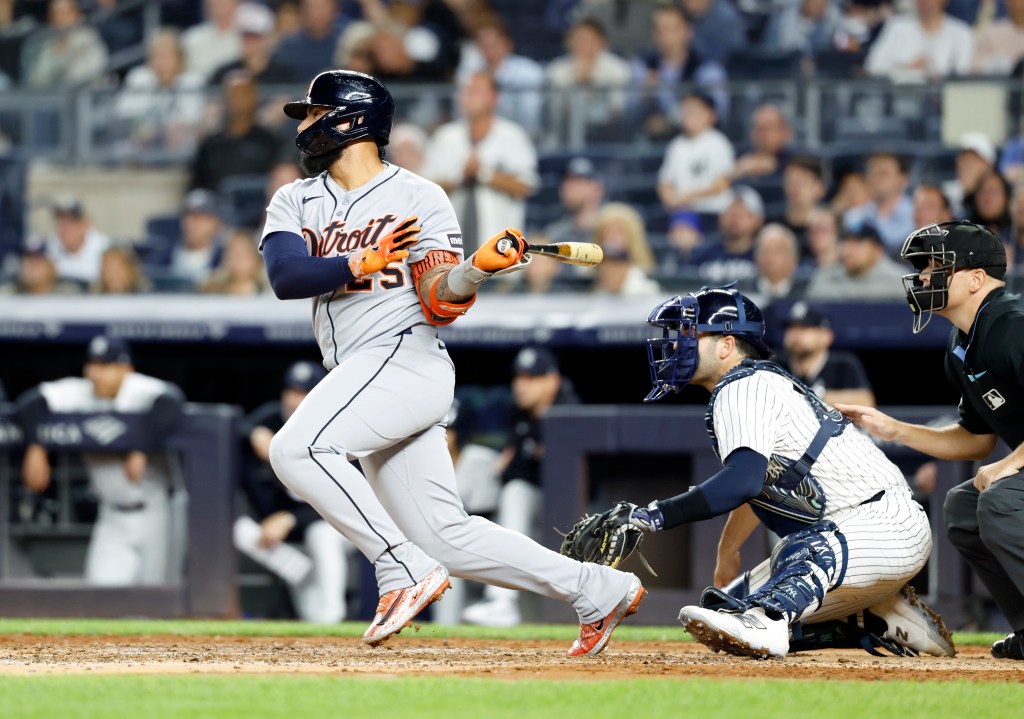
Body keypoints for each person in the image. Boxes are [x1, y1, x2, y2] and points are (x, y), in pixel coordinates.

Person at [259, 69, 644, 654]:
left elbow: (440, 299)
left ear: (352, 120)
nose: (306, 124)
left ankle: (400, 570)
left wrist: (477, 270)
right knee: (446, 538)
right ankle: (597, 588)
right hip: (360, 373)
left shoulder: (419, 196)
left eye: (314, 113)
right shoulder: (296, 198)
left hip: (407, 358)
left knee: (296, 449)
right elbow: (286, 276)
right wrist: (359, 264)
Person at [608, 285, 953, 659]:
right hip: (855, 539)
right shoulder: (749, 385)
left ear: (726, 345)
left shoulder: (742, 385)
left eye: (690, 334)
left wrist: (654, 516)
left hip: (883, 523)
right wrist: (728, 549)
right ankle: (881, 615)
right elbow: (762, 482)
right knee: (724, 611)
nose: (676, 346)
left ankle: (771, 623)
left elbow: (743, 480)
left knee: (772, 596)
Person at [835, 221, 1024, 660]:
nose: (923, 277)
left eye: (939, 266)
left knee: (999, 498)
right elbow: (976, 441)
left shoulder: (1011, 325)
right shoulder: (961, 344)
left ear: (977, 278)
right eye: (924, 268)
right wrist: (893, 429)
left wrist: (1010, 463)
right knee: (963, 507)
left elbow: (993, 460)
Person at [15, 336, 185, 586]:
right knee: (101, 595)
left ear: (126, 370)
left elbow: (172, 401)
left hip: (157, 510)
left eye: (106, 366)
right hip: (111, 515)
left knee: (158, 599)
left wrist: (140, 447)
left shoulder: (138, 389)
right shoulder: (81, 391)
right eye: (92, 365)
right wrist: (37, 447)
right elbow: (29, 403)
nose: (96, 373)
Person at [462, 346, 579, 627]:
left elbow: (569, 480)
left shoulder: (570, 412)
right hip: (530, 513)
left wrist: (525, 457)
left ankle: (500, 603)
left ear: (552, 380)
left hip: (574, 515)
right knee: (489, 470)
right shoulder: (519, 414)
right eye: (519, 377)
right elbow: (511, 468)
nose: (520, 385)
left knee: (516, 492)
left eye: (531, 378)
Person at [234, 361, 355, 623]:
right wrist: (254, 431)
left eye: (303, 393)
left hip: (334, 525)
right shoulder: (271, 417)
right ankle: (304, 582)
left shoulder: (334, 430)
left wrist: (291, 519)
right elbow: (232, 426)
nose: (293, 399)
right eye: (290, 391)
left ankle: (333, 614)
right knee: (238, 531)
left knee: (320, 535)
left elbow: (344, 499)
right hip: (287, 534)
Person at [422, 72, 537, 254]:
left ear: (494, 97)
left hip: (501, 249)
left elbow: (524, 186)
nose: (468, 96)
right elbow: (426, 189)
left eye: (476, 91)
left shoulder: (512, 135)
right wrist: (461, 177)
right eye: (465, 91)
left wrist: (484, 173)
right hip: (450, 248)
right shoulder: (446, 136)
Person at [628, 4, 726, 141]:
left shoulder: (706, 69)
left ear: (688, 32)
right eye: (658, 29)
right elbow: (628, 113)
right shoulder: (643, 66)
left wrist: (670, 120)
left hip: (694, 142)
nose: (664, 35)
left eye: (670, 29)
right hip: (648, 142)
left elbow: (717, 113)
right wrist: (645, 96)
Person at [116, 29, 205, 156]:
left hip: (182, 145)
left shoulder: (193, 81)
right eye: (156, 56)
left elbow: (194, 117)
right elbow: (124, 113)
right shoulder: (139, 78)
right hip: (142, 144)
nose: (161, 62)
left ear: (179, 58)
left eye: (166, 56)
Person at [189, 71, 283, 192]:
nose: (238, 100)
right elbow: (197, 188)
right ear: (225, 98)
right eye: (233, 94)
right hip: (217, 207)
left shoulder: (271, 141)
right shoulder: (210, 144)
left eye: (244, 93)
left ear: (255, 96)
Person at [454, 16, 545, 137]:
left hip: (520, 136)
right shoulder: (468, 73)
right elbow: (460, 114)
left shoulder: (529, 72)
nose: (489, 50)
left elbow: (530, 118)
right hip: (478, 135)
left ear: (508, 44)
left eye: (493, 44)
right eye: (483, 45)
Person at [546, 19, 631, 141]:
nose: (580, 45)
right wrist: (577, 82)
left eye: (586, 40)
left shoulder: (617, 68)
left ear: (601, 42)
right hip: (566, 134)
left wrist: (591, 81)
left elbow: (618, 108)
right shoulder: (557, 69)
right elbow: (556, 112)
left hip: (609, 133)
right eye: (576, 40)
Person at [780, 302, 875, 406]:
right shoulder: (775, 364)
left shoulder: (843, 365)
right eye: (791, 328)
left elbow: (866, 401)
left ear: (826, 336)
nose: (795, 334)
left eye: (804, 328)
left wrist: (815, 395)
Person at [658, 91, 735, 215]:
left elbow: (722, 184)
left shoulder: (719, 143)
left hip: (714, 210)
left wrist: (690, 196)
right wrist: (671, 200)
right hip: (683, 212)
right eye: (685, 111)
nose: (688, 116)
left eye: (693, 111)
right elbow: (665, 183)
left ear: (711, 115)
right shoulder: (676, 146)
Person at [865, 0, 973, 81]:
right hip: (900, 102)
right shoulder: (897, 27)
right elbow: (873, 66)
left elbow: (963, 75)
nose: (924, 2)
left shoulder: (961, 33)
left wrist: (936, 77)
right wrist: (906, 69)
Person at [805, 224, 906, 300]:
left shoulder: (899, 281)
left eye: (857, 244)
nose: (848, 251)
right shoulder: (825, 278)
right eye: (846, 243)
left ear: (877, 250)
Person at [21, 0, 108, 89]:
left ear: (76, 15)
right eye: (54, 13)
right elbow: (35, 79)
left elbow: (88, 77)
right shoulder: (42, 43)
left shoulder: (89, 40)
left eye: (65, 13)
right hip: (47, 97)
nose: (59, 18)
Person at [210, 2, 298, 86]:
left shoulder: (285, 74)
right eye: (245, 36)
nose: (249, 42)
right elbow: (209, 96)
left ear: (268, 38)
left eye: (255, 37)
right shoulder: (225, 73)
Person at [688, 186, 763, 284]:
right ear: (720, 218)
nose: (735, 220)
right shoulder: (702, 254)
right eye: (730, 213)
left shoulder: (764, 256)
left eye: (742, 214)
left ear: (757, 220)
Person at [843, 152, 915, 254]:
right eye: (873, 173)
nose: (877, 179)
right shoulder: (853, 218)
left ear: (903, 180)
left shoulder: (917, 215)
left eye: (884, 173)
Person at [591, 203, 661, 296]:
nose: (612, 238)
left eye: (618, 232)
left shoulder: (645, 287)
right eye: (607, 232)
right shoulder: (587, 277)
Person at [43, 197, 111, 286]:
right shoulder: (47, 248)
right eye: (60, 222)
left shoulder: (105, 247)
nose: (65, 229)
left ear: (85, 224)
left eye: (71, 222)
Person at [272, 0, 344, 81]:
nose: (316, 13)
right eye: (311, 8)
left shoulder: (344, 42)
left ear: (334, 9)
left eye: (321, 7)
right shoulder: (288, 46)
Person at [169, 189, 226, 285]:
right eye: (187, 216)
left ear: (215, 222)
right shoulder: (164, 258)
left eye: (198, 217)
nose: (190, 224)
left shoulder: (225, 260)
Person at [181, 0, 242, 82]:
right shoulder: (191, 38)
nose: (220, 7)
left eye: (224, 3)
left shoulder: (249, 39)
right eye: (215, 3)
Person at [775, 155, 826, 247]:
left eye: (802, 182)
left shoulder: (828, 230)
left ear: (820, 188)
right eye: (791, 181)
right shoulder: (775, 229)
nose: (795, 188)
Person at [733, 104, 793, 182]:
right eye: (758, 128)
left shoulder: (795, 161)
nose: (763, 134)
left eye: (769, 127)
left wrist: (775, 165)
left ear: (785, 132)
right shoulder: (737, 156)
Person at [752, 223, 803, 301]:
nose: (770, 257)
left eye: (777, 251)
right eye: (765, 251)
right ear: (756, 257)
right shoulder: (742, 294)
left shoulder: (806, 294)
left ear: (793, 259)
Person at [972, 0, 1024, 75]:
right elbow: (973, 67)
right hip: (996, 83)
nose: (1019, 3)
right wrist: (991, 65)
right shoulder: (990, 31)